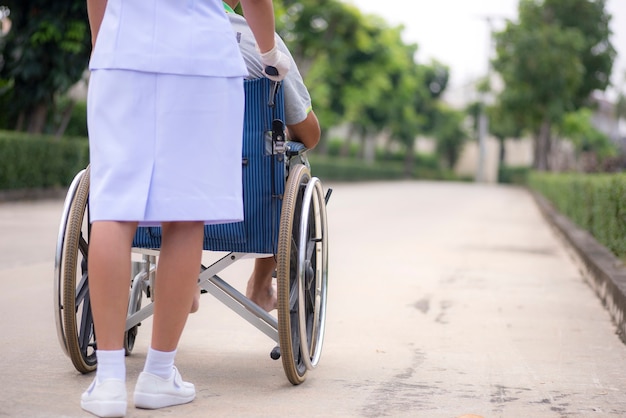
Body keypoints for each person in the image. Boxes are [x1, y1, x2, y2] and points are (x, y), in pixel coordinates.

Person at [81, 1, 289, 417]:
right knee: (186, 215)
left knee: (113, 209)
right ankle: (158, 375)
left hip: (123, 52)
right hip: (201, 57)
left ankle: (107, 383)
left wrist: (105, 45)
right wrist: (268, 55)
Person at [223, 0, 321, 312]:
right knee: (280, 156)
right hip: (246, 192)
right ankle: (261, 285)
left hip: (164, 200)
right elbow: (310, 134)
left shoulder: (148, 33)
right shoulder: (256, 40)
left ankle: (168, 269)